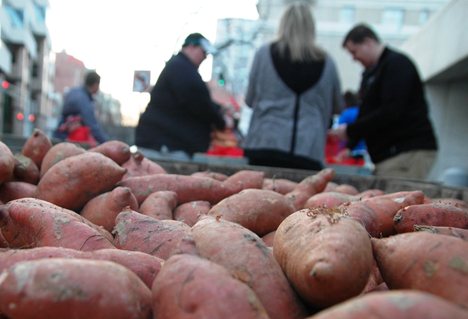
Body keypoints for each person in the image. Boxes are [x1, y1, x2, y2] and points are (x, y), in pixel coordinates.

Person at [241, 1, 342, 170]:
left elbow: (250, 100)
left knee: (260, 195)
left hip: (265, 143)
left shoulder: (264, 54)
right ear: (311, 28)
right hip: (308, 148)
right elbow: (337, 106)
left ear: (283, 25)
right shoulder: (327, 62)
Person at [330, 23, 438, 180]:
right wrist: (350, 143)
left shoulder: (397, 65)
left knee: (398, 201)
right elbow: (367, 112)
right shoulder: (371, 73)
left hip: (406, 152)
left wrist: (350, 131)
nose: (354, 58)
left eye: (354, 52)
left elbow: (391, 111)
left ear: (368, 42)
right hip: (390, 155)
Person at [134, 33, 226, 160]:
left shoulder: (180, 68)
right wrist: (220, 121)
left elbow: (196, 98)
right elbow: (199, 103)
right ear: (191, 47)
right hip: (165, 147)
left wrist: (220, 108)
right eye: (203, 52)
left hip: (164, 144)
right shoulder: (182, 69)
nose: (205, 57)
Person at [54, 71, 108, 145]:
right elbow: (92, 125)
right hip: (71, 139)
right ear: (95, 85)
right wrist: (106, 143)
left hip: (60, 135)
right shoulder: (83, 100)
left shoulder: (73, 92)